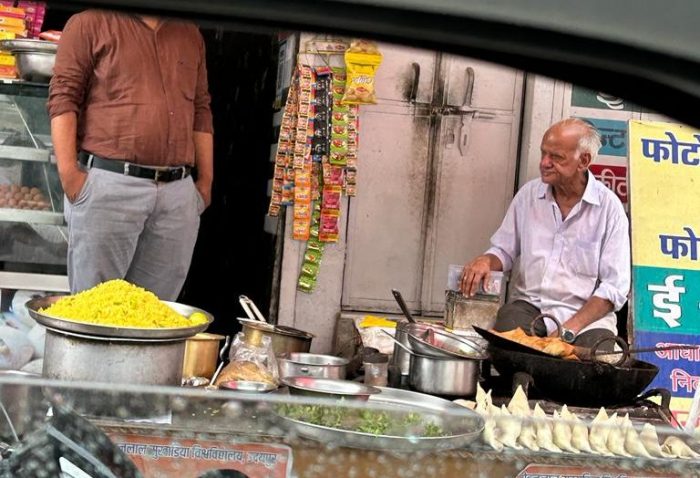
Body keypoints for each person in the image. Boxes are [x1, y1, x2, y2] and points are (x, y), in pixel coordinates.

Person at [48, 10, 214, 300]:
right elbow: (64, 97)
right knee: (95, 311)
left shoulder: (189, 32)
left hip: (177, 195)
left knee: (156, 316)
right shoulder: (90, 22)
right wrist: (70, 176)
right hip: (109, 185)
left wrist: (205, 184)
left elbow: (201, 109)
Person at [461, 118, 630, 349]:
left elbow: (614, 288)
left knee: (595, 364)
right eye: (543, 154)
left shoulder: (609, 209)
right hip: (530, 307)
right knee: (507, 344)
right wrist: (485, 261)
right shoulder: (528, 196)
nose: (544, 163)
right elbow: (504, 250)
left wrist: (569, 330)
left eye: (556, 157)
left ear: (584, 160)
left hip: (585, 318)